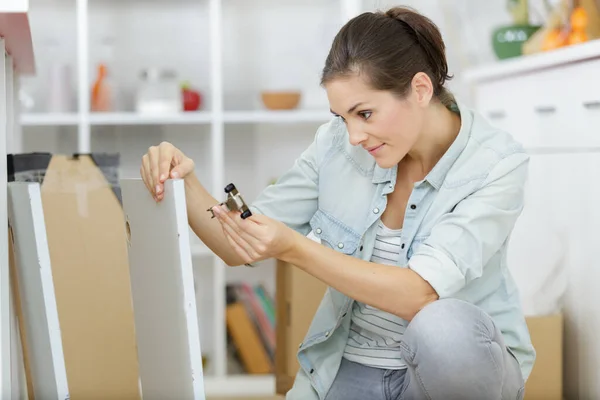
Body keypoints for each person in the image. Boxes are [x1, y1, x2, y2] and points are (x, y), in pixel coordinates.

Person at [140, 6, 535, 400]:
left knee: (444, 330)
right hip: (352, 366)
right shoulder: (334, 146)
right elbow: (236, 244)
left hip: (456, 373)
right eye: (343, 117)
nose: (354, 136)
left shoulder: (496, 164)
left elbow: (418, 295)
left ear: (419, 89)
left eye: (364, 113)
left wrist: (295, 249)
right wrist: (183, 180)